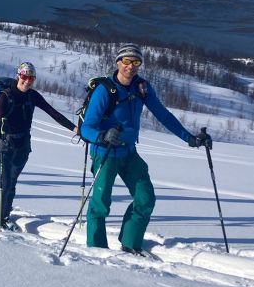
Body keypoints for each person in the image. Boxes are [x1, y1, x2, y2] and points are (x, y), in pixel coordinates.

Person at [79, 44, 210, 254]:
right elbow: (86, 128)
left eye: (136, 62)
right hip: (105, 152)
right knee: (100, 203)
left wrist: (190, 138)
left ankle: (130, 242)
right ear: (118, 63)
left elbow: (163, 115)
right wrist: (102, 136)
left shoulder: (142, 88)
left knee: (145, 197)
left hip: (128, 152)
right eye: (127, 61)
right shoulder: (105, 90)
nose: (131, 66)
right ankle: (97, 250)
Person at [0, 62, 76, 228]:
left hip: (23, 145)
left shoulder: (32, 96)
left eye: (31, 78)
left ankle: (4, 215)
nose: (27, 81)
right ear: (18, 76)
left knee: (12, 182)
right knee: (4, 184)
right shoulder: (5, 95)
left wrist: (74, 128)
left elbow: (53, 112)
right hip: (5, 145)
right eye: (24, 76)